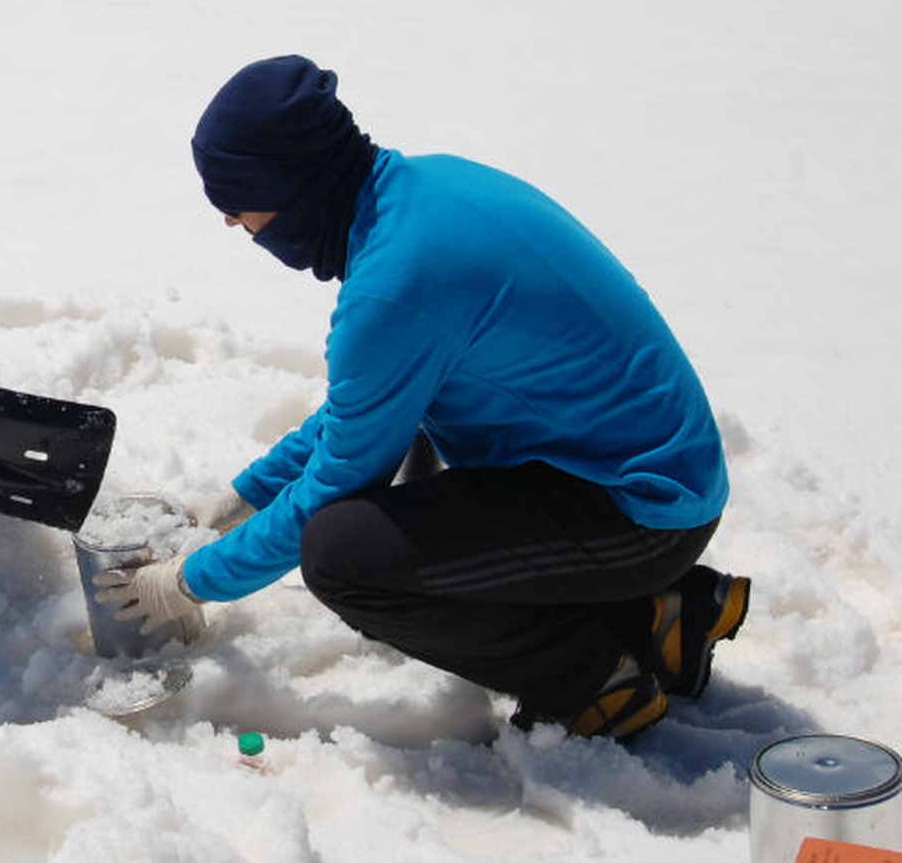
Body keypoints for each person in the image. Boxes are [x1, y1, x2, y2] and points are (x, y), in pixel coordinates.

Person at [94, 55, 749, 741]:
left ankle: (591, 682)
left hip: (644, 508)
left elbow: (336, 483)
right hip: (628, 468)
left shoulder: (395, 287)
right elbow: (365, 410)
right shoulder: (422, 190)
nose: (232, 223)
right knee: (409, 467)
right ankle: (660, 616)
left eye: (235, 201)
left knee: (344, 557)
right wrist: (238, 498)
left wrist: (188, 582)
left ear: (286, 184)